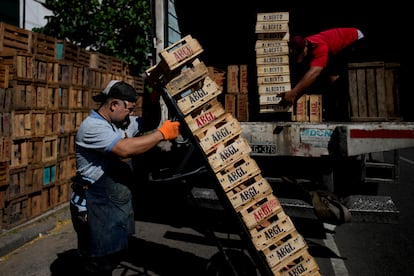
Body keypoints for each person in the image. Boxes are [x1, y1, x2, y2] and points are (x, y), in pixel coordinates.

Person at [70, 80, 180, 274]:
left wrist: (153, 97)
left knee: (112, 256)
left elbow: (149, 121)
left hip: (111, 207)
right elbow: (124, 150)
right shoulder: (93, 127)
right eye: (129, 109)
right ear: (114, 105)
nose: (131, 114)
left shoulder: (118, 123)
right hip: (94, 207)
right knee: (98, 263)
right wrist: (161, 134)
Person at [280, 27, 365, 118]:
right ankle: (337, 109)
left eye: (301, 53)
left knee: (342, 78)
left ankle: (345, 110)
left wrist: (294, 92)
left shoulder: (319, 46)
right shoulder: (306, 44)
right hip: (336, 49)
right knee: (331, 75)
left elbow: (314, 72)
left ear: (305, 46)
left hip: (354, 40)